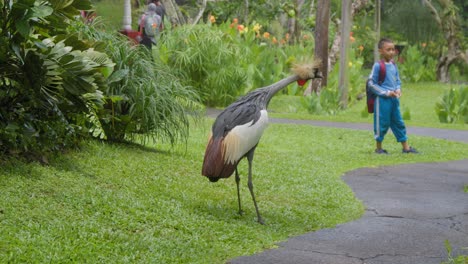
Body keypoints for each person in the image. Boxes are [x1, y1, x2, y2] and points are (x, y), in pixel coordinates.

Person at [367, 38, 418, 154]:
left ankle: (406, 148)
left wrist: (398, 90)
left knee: (398, 122)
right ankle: (379, 148)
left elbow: (397, 80)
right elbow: (371, 83)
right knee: (382, 123)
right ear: (381, 51)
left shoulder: (394, 65)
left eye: (393, 49)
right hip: (382, 101)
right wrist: (386, 92)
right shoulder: (378, 66)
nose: (391, 52)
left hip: (394, 100)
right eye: (388, 49)